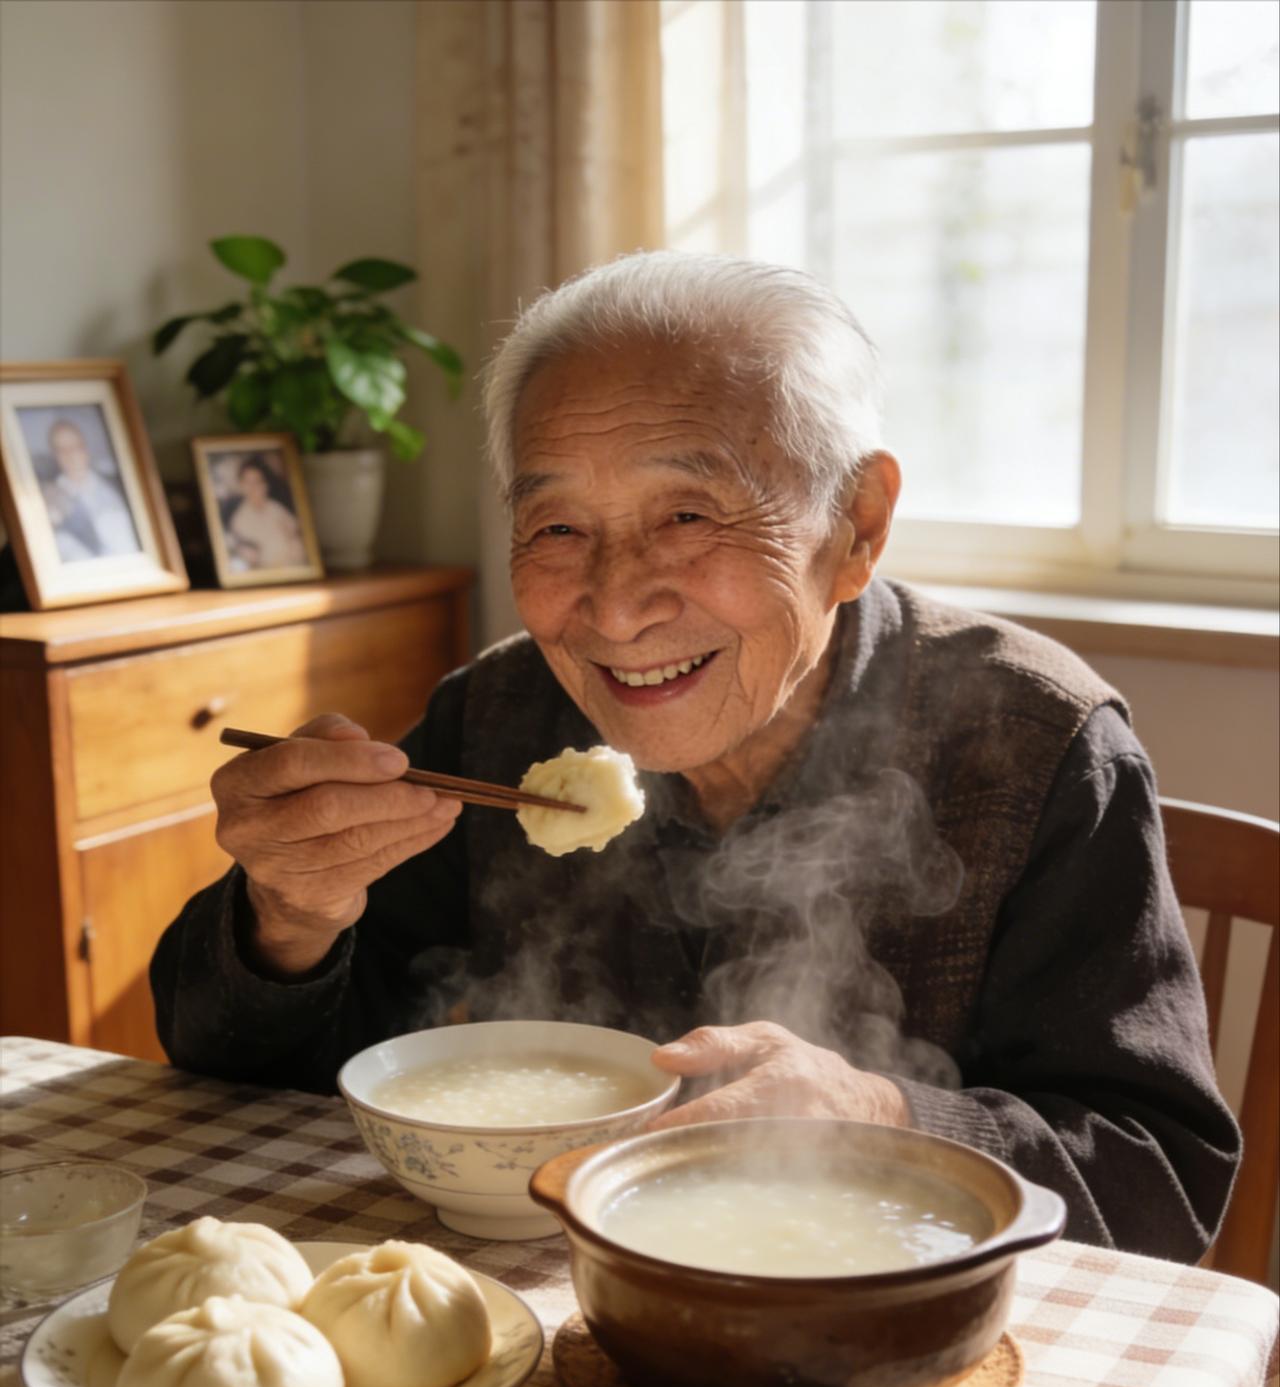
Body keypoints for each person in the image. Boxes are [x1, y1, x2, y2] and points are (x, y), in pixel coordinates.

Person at [151, 252, 1240, 1260]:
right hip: (545, 1313)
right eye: (559, 528)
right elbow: (261, 1087)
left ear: (854, 524)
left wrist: (882, 1118)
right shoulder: (497, 715)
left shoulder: (1033, 742)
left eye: (687, 512)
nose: (616, 608)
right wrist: (286, 920)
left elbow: (1160, 1179)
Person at [40, 418, 140, 562]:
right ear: (55, 455)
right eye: (62, 450)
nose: (70, 455)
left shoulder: (117, 485)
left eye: (75, 446)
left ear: (85, 448)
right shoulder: (47, 498)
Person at [223, 456, 305, 569]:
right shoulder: (239, 519)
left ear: (265, 485)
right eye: (248, 482)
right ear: (241, 485)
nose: (253, 488)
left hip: (292, 567)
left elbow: (296, 535)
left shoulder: (277, 509)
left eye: (257, 482)